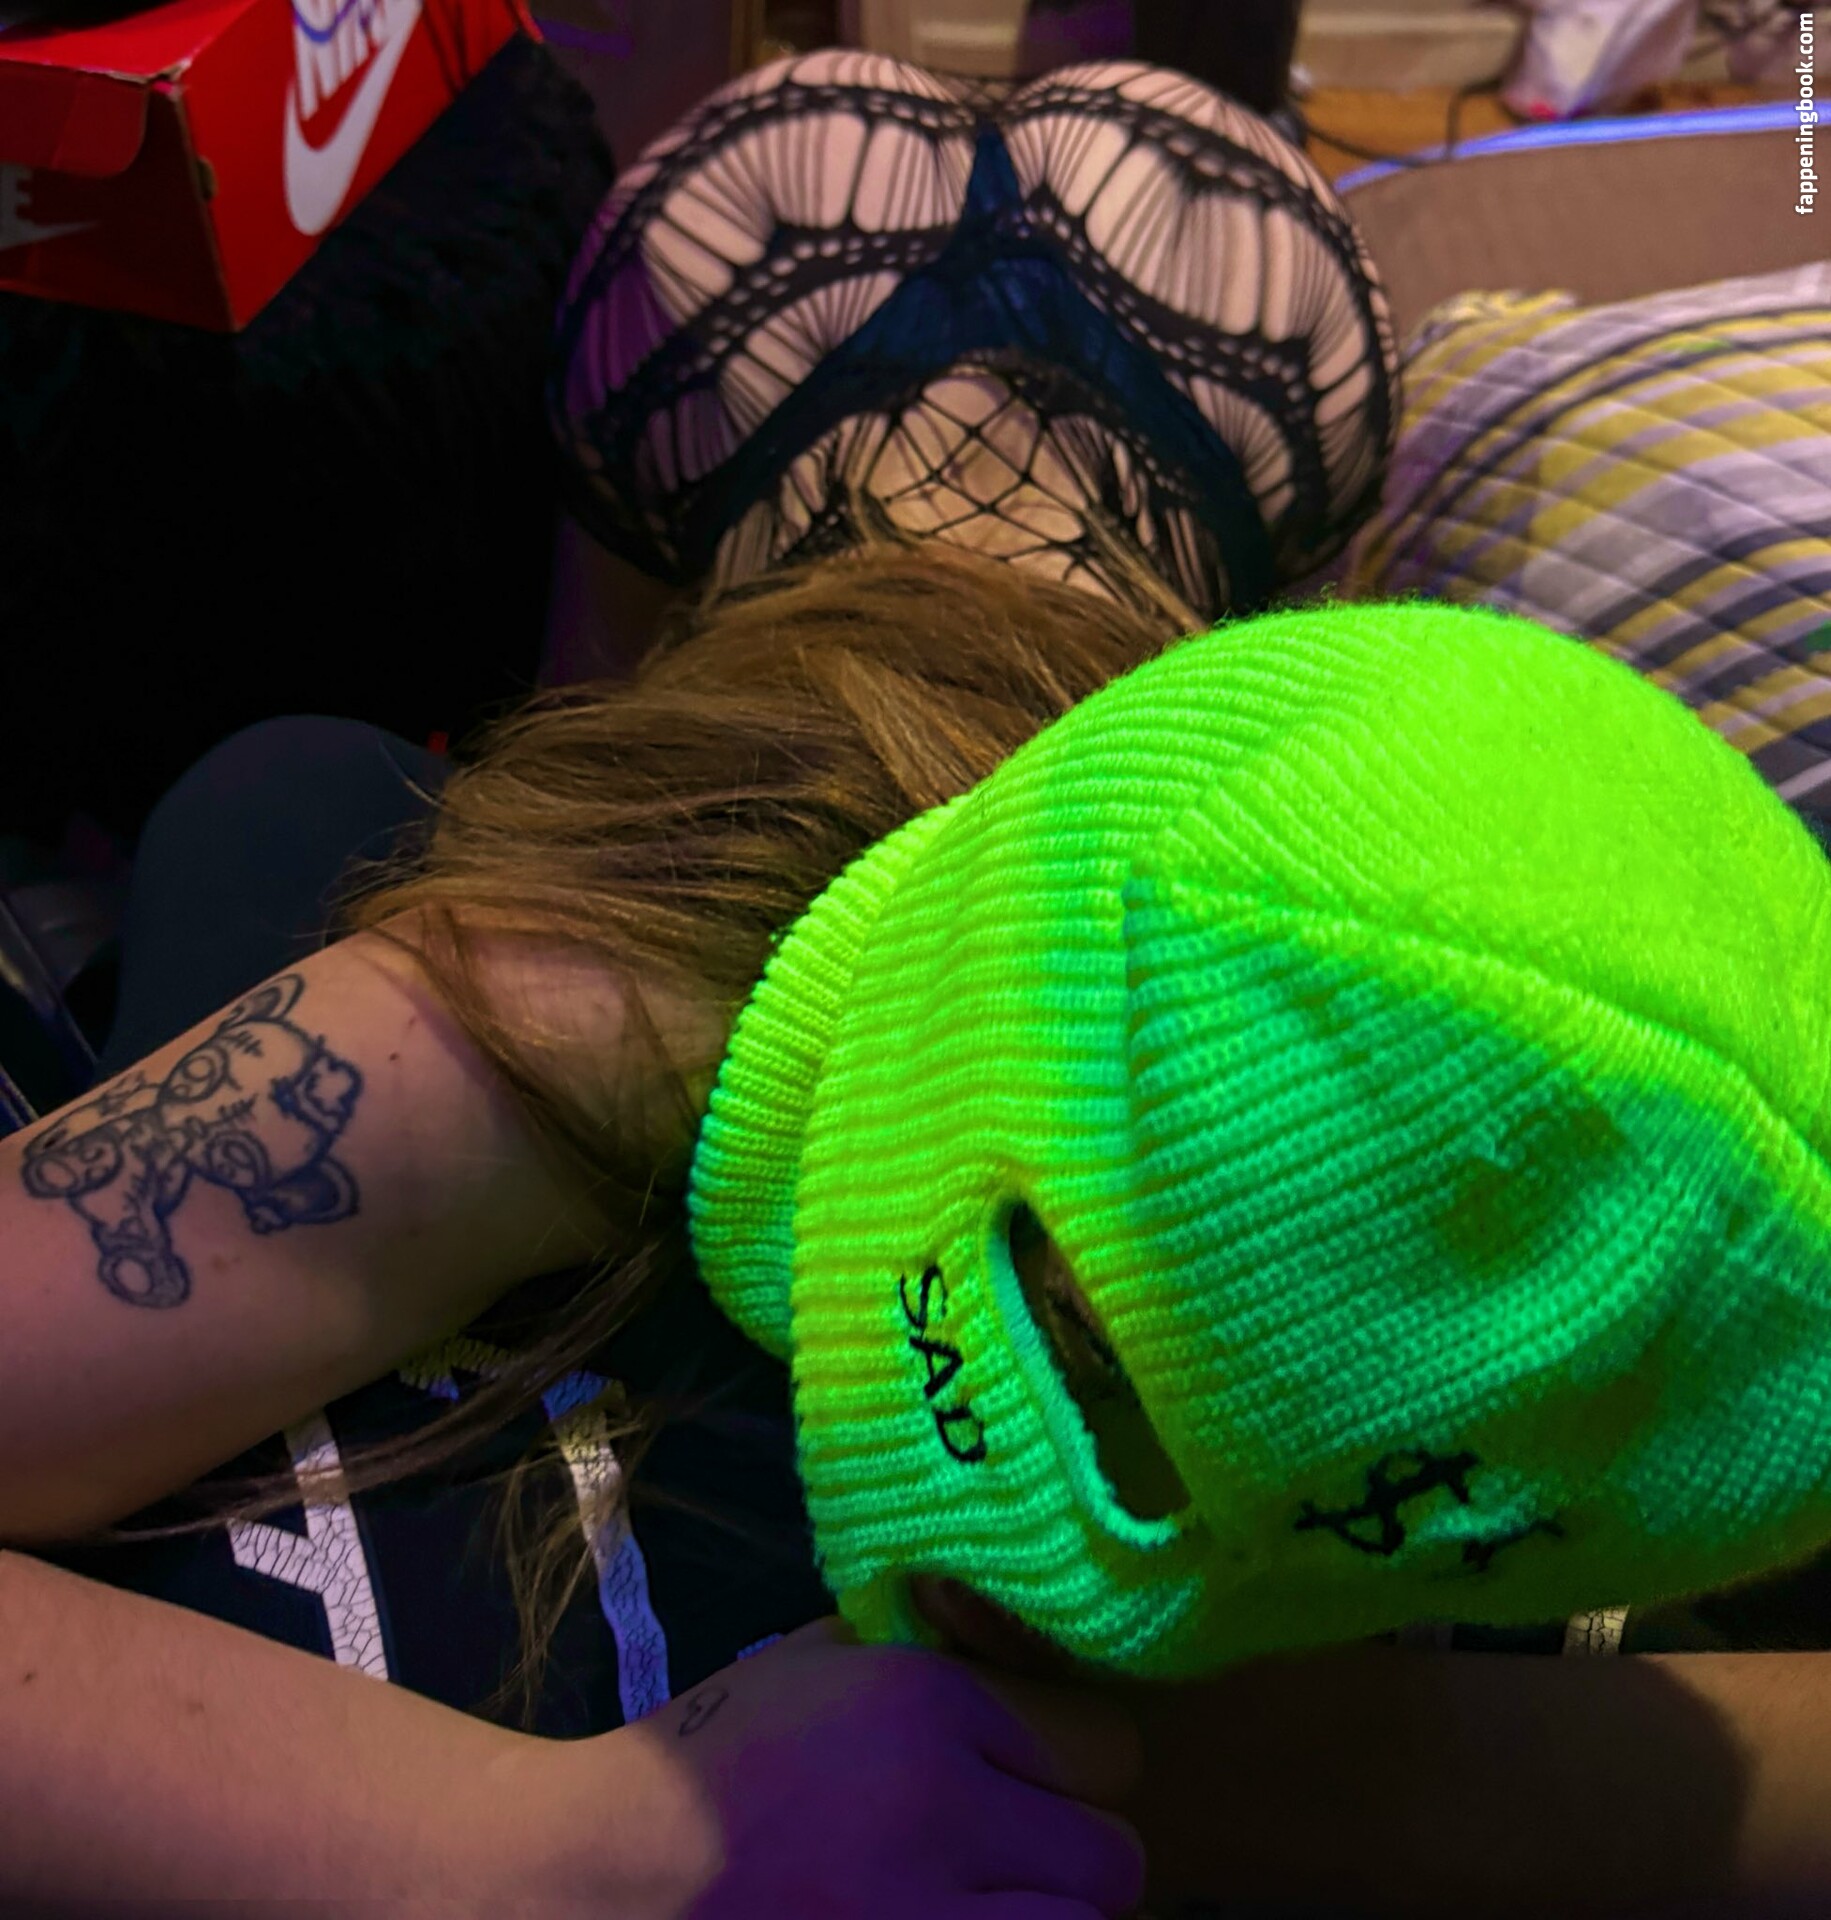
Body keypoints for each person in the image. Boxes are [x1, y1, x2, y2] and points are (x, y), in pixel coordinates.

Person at [8, 49, 1831, 1920]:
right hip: (877, 834)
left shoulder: (1662, 1401)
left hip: (864, 792)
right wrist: (538, 1850)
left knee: (349, 782)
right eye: (1086, 1346)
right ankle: (946, 616)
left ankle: (893, 596)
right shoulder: (554, 991)